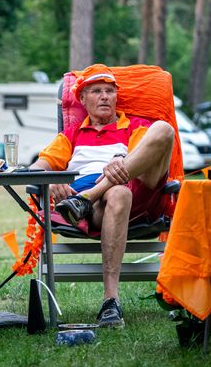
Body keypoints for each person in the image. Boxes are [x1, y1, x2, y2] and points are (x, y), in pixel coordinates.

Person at [29, 64, 174, 329]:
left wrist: (120, 164)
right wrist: (50, 181)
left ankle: (88, 196)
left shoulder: (135, 127)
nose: (105, 96)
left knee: (164, 130)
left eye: (110, 91)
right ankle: (111, 301)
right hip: (92, 211)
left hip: (139, 197)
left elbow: (145, 162)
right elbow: (37, 168)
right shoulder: (71, 135)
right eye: (96, 91)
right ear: (83, 100)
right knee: (117, 193)